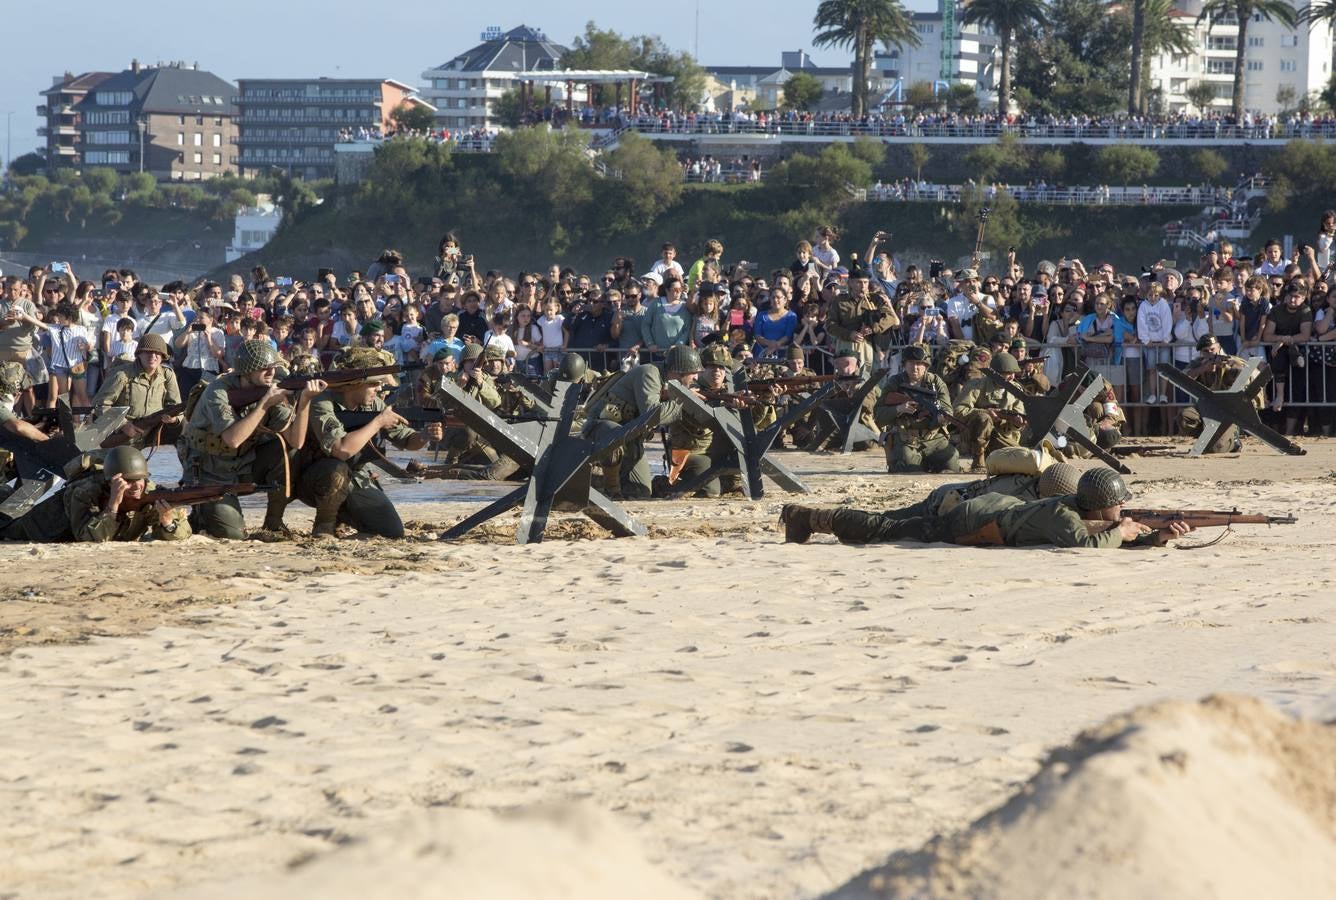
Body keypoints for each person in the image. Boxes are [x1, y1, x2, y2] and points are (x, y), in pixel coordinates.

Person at [781, 467, 1194, 548]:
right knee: (886, 529)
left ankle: (809, 516)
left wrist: (1157, 536)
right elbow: (1087, 542)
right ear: (1102, 506)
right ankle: (808, 517)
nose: (1124, 509)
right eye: (1119, 505)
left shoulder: (1077, 508)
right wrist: (1124, 532)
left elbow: (1104, 531)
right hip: (969, 519)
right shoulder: (1063, 517)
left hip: (986, 508)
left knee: (893, 521)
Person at [290, 347, 443, 538]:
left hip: (355, 476)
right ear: (355, 384)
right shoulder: (322, 402)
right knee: (336, 470)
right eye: (373, 384)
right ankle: (324, 526)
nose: (379, 389)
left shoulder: (373, 403)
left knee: (392, 531)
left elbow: (405, 439)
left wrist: (424, 436)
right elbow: (341, 450)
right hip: (311, 478)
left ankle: (343, 515)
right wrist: (378, 421)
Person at [178, 339, 324, 539]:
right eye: (264, 368)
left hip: (244, 464)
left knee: (287, 451)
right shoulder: (218, 391)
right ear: (246, 370)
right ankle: (201, 514)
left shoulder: (270, 389)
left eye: (273, 367)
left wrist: (305, 401)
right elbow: (233, 439)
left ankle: (273, 523)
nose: (271, 373)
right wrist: (264, 404)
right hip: (208, 471)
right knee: (233, 535)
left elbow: (296, 442)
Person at [0, 446, 191, 543]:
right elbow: (89, 538)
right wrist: (113, 506)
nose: (136, 486)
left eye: (139, 480)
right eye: (128, 481)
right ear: (112, 481)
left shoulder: (148, 491)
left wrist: (168, 522)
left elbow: (183, 534)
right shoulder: (85, 491)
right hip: (40, 528)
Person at [585, 344, 701, 498]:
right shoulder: (649, 373)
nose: (696, 378)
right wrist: (683, 401)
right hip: (602, 429)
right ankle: (609, 489)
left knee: (641, 493)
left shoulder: (667, 380)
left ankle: (603, 480)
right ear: (680, 372)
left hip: (630, 438)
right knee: (614, 436)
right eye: (693, 373)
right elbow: (651, 414)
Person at [875, 461, 1081, 520]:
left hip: (951, 492)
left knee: (897, 517)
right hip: (946, 501)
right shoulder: (1024, 500)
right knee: (897, 520)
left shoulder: (1029, 476)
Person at [874, 344, 959, 473]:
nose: (915, 367)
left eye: (920, 363)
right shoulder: (895, 382)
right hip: (906, 440)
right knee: (908, 469)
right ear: (904, 364)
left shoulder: (936, 382)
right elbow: (878, 414)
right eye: (911, 363)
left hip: (934, 438)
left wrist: (943, 418)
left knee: (951, 463)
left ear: (926, 366)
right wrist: (899, 408)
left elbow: (947, 408)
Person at [90, 333, 182, 448]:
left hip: (153, 437)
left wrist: (174, 419)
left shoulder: (167, 375)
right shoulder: (122, 375)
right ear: (139, 354)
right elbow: (100, 405)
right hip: (123, 437)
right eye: (148, 352)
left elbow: (176, 405)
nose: (153, 356)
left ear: (163, 356)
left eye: (157, 353)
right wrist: (123, 425)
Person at [1178, 334, 1260, 452]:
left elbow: (1244, 376)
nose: (1211, 353)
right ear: (1202, 353)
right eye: (1206, 351)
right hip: (1206, 410)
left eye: (1212, 349)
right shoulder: (1199, 363)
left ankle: (1234, 442)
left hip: (1229, 414)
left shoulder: (1231, 361)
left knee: (1217, 448)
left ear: (1218, 347)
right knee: (1185, 417)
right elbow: (1182, 377)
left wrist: (1225, 368)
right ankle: (1206, 437)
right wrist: (1203, 369)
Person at [954, 352, 1026, 471]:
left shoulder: (1016, 390)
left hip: (1003, 435)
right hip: (974, 437)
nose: (1012, 377)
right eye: (1008, 373)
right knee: (984, 418)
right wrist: (986, 413)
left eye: (1014, 373)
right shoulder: (976, 386)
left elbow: (1019, 416)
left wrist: (1017, 424)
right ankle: (979, 461)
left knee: (1021, 458)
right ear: (995, 373)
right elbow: (958, 410)